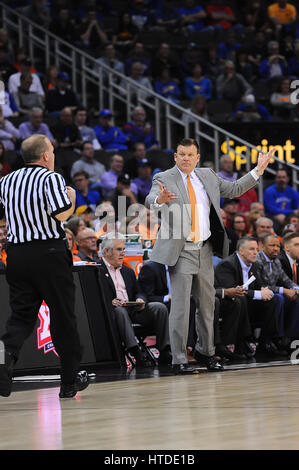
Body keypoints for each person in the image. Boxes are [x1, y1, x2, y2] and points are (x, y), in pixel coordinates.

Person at [145, 137, 276, 373]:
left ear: (197, 158)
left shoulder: (208, 176)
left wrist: (258, 170)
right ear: (175, 156)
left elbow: (235, 189)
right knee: (182, 307)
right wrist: (158, 200)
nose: (185, 158)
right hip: (181, 249)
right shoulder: (163, 178)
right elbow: (149, 199)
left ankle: (206, 353)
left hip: (204, 249)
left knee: (207, 305)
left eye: (190, 155)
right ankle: (179, 359)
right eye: (181, 154)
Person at [0, 134, 89, 398]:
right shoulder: (51, 178)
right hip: (49, 253)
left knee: (21, 317)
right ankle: (69, 381)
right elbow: (62, 213)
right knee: (62, 316)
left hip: (16, 254)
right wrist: (71, 196)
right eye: (51, 149)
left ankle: (5, 360)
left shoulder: (5, 181)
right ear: (46, 156)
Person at [98, 233, 171, 366]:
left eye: (123, 249)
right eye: (119, 249)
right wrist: (110, 301)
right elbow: (94, 296)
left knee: (159, 307)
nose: (123, 253)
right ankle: (136, 351)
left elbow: (139, 291)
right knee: (119, 311)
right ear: (106, 251)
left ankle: (165, 350)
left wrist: (139, 299)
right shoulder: (96, 271)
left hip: (133, 310)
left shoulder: (127, 271)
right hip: (113, 314)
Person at [215, 236, 283, 356]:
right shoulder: (227, 265)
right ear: (241, 251)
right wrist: (258, 293)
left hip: (246, 301)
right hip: (227, 302)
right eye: (252, 249)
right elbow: (233, 291)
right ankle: (239, 341)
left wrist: (264, 291)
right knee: (240, 299)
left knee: (273, 299)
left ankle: (265, 341)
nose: (256, 252)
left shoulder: (255, 265)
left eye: (257, 249)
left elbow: (260, 285)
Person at [255, 234, 299, 340]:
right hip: (257, 295)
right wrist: (283, 290)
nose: (275, 249)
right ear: (262, 246)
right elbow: (259, 284)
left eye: (278, 246)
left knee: (296, 298)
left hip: (272, 294)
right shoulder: (257, 259)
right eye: (272, 245)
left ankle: (290, 336)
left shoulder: (276, 260)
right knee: (279, 298)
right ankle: (274, 337)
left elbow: (285, 280)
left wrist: (296, 289)